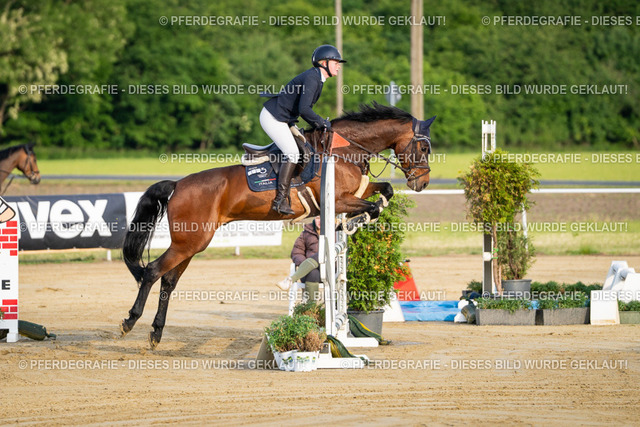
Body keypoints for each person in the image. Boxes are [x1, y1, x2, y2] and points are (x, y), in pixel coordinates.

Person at [261, 45, 346, 215]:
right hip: (273, 117)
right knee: (293, 153)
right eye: (335, 62)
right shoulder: (313, 78)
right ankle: (280, 200)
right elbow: (305, 109)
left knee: (305, 148)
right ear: (324, 63)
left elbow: (303, 109)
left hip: (284, 119)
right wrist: (322, 123)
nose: (338, 66)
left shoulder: (317, 78)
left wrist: (319, 123)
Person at [277, 216, 322, 301]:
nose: (320, 221)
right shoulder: (306, 233)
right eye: (318, 218)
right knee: (313, 272)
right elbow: (297, 252)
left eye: (322, 217)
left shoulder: (335, 232)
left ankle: (290, 280)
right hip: (307, 272)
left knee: (322, 254)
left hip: (329, 271)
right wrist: (306, 265)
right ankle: (310, 307)